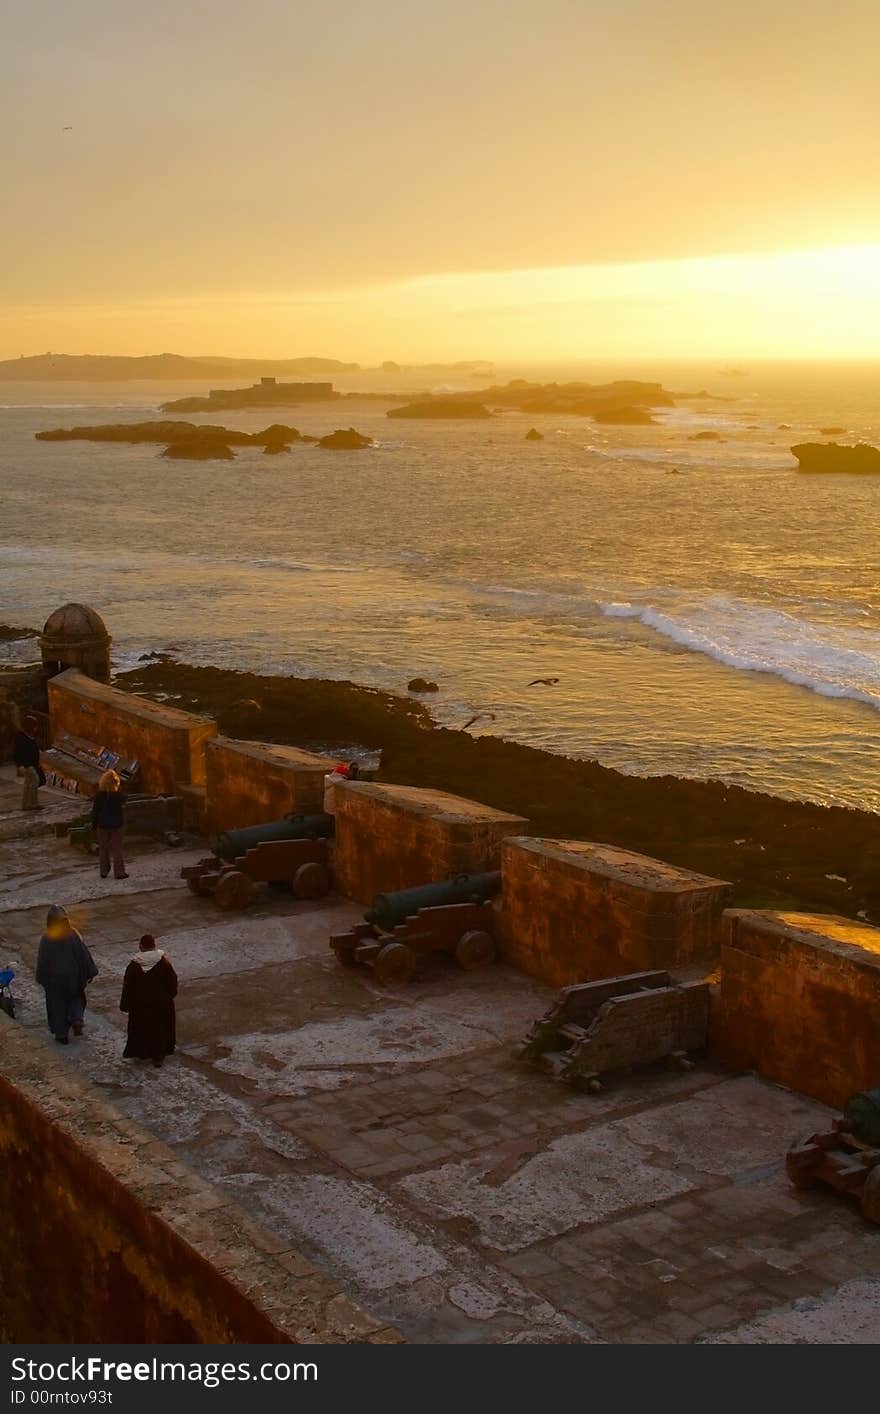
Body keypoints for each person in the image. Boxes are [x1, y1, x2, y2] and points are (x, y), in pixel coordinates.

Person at [35, 905, 98, 1044]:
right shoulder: (72, 934)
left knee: (57, 1005)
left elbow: (43, 960)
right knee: (75, 997)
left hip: (55, 979)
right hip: (73, 976)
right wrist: (90, 971)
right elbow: (82, 954)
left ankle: (62, 1034)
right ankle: (76, 1019)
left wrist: (41, 977)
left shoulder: (46, 938)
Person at [119, 934, 177, 1068]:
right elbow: (172, 982)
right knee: (159, 1030)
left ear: (141, 946)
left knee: (142, 1029)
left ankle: (142, 1052)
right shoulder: (163, 963)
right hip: (161, 1004)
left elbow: (128, 986)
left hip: (139, 1005)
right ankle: (158, 1056)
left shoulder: (134, 965)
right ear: (154, 946)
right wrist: (169, 997)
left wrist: (125, 1004)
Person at [91, 769, 129, 880]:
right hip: (117, 825)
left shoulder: (99, 796)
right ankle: (119, 872)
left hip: (102, 825)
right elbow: (125, 800)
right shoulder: (119, 796)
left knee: (103, 849)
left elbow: (95, 811)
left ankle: (103, 871)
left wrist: (94, 825)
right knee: (117, 849)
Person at [13, 715, 44, 811]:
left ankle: (26, 804)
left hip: (31, 764)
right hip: (26, 764)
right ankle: (32, 804)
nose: (36, 728)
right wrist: (20, 765)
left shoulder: (29, 737)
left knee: (28, 784)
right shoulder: (21, 738)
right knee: (34, 781)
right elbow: (17, 753)